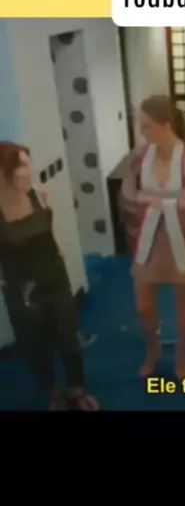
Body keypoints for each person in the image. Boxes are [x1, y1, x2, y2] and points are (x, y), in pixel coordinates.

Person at [0, 142, 99, 410]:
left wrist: (60, 254)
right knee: (34, 345)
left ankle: (77, 390)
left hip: (54, 277)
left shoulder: (40, 197)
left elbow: (49, 234)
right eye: (21, 166)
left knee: (68, 337)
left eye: (27, 164)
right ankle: (53, 392)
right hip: (21, 289)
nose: (28, 171)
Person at [120, 95, 185, 379]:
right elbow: (127, 195)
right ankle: (153, 348)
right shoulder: (139, 156)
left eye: (147, 126)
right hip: (148, 239)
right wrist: (153, 200)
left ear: (166, 125)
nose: (142, 132)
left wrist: (155, 200)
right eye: (141, 125)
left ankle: (181, 354)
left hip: (181, 239)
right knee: (144, 306)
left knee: (184, 304)